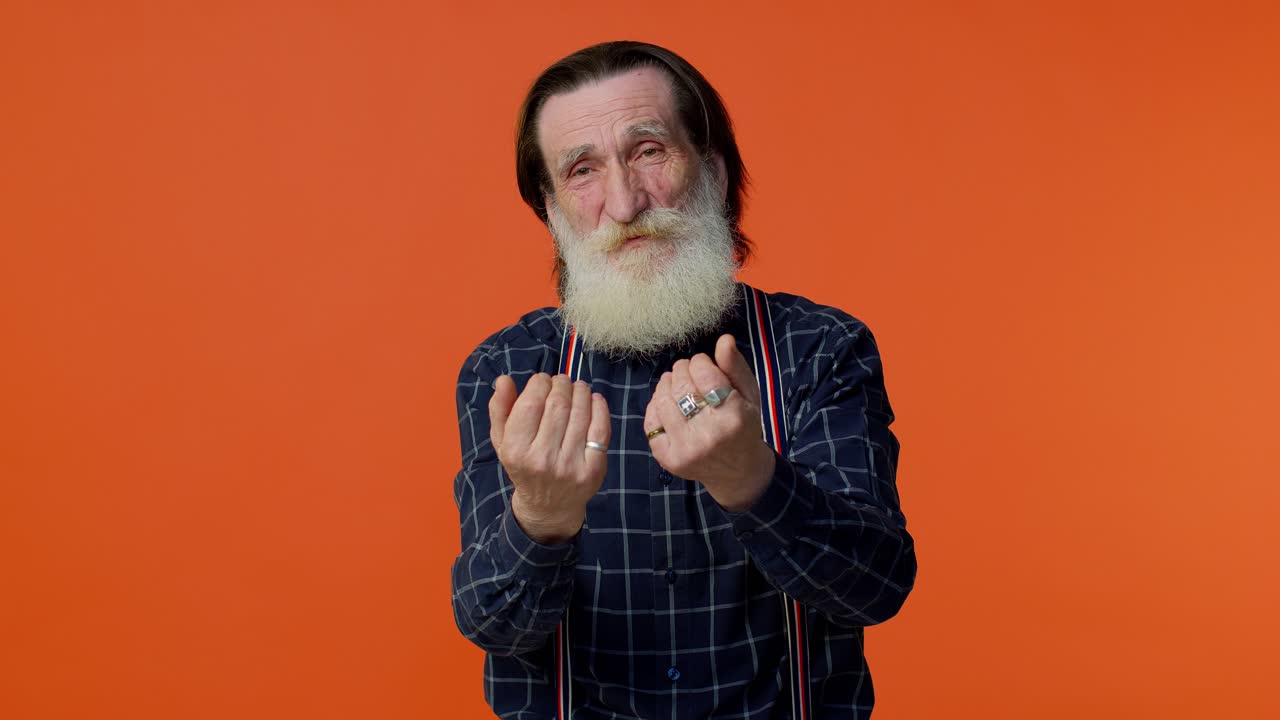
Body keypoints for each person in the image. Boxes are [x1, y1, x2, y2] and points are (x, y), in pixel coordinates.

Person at [450, 41, 916, 719]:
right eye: (582, 170)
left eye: (649, 151)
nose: (625, 202)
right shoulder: (507, 373)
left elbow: (876, 587)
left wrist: (753, 481)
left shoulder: (821, 347)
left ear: (715, 172)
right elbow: (495, 627)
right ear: (551, 211)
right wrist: (541, 519)